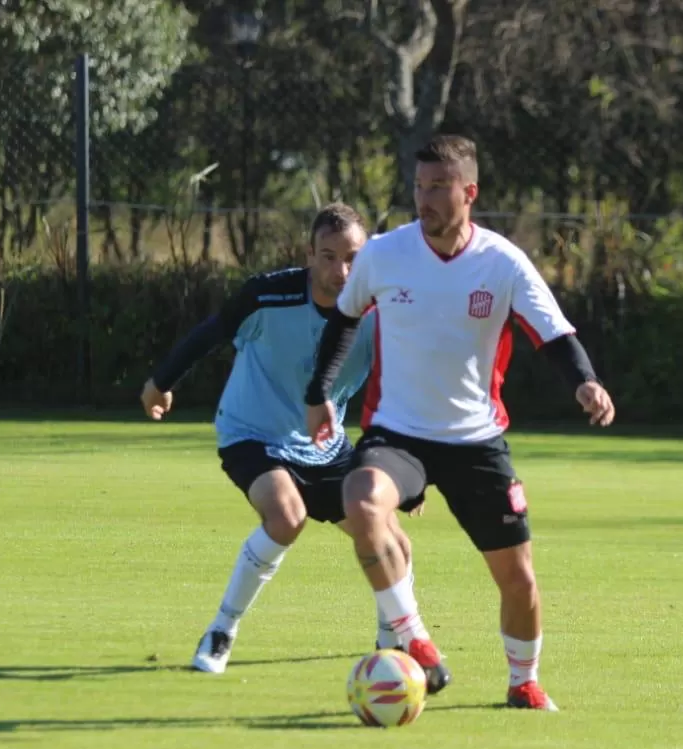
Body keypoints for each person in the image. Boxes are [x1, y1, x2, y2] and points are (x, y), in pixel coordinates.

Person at [304, 135, 616, 711]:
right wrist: (318, 392)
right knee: (361, 499)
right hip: (399, 434)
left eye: (439, 188)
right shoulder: (383, 254)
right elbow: (343, 321)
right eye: (419, 187)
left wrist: (585, 381)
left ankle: (524, 680)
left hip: (476, 440)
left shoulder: (501, 261)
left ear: (469, 192)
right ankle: (414, 636)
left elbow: (554, 335)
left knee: (519, 578)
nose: (425, 199)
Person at [140, 202, 432, 677]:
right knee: (287, 515)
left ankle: (390, 648)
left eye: (352, 258)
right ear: (309, 254)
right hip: (251, 433)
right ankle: (221, 630)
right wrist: (161, 382)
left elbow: (401, 392)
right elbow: (210, 333)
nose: (341, 270)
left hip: (324, 445)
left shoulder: (380, 313)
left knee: (392, 541)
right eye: (328, 256)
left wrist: (410, 475)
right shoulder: (267, 295)